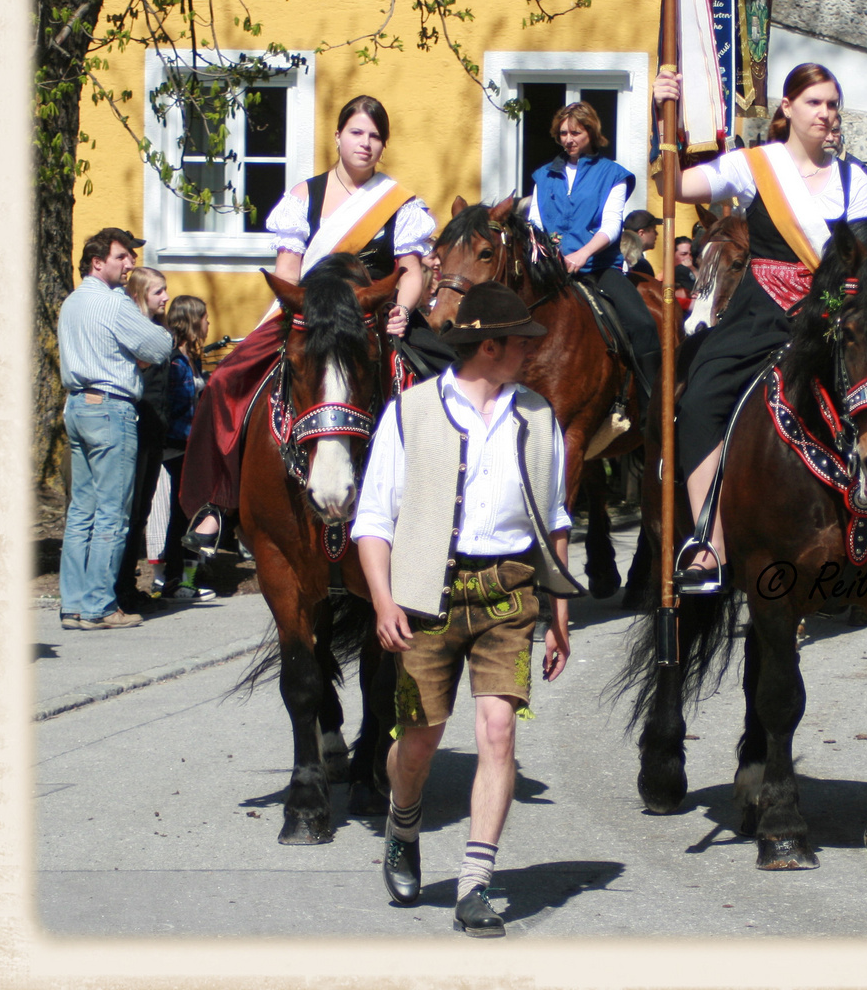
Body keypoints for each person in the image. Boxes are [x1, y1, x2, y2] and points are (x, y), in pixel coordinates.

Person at [353, 280, 582, 938]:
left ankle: (476, 883)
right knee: (418, 741)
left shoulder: (539, 417)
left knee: (498, 732)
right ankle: (403, 823)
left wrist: (559, 611)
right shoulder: (411, 412)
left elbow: (555, 519)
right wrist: (381, 598)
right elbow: (373, 518)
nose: (529, 354)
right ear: (489, 346)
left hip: (509, 590)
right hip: (427, 592)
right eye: (520, 344)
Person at [652, 63, 867, 590]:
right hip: (762, 313)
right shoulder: (757, 166)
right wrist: (660, 118)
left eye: (831, 103)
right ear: (787, 108)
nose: (825, 113)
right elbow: (675, 186)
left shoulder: (862, 183)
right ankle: (710, 540)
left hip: (837, 318)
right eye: (814, 103)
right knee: (700, 398)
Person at [180, 94, 436, 555]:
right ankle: (218, 505)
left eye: (375, 136)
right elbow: (288, 268)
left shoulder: (401, 203)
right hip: (311, 315)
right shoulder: (303, 196)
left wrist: (403, 307)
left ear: (384, 145)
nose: (365, 143)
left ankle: (442, 507)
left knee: (448, 380)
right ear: (337, 137)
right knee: (223, 380)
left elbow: (412, 269)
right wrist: (293, 313)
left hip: (373, 317)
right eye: (357, 133)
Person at [58, 228, 174, 630]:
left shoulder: (72, 302)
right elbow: (159, 346)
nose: (129, 265)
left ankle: (73, 604)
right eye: (122, 257)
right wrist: (134, 351)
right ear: (97, 262)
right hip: (110, 408)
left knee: (81, 513)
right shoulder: (113, 303)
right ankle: (100, 607)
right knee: (112, 512)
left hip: (76, 405)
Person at [528, 102, 661, 405]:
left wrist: (583, 254)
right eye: (562, 133)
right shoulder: (542, 176)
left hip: (600, 267)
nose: (568, 139)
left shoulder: (613, 174)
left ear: (591, 131)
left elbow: (612, 225)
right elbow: (534, 224)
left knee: (643, 324)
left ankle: (651, 407)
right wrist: (550, 258)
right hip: (551, 269)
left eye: (575, 132)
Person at [113, 266, 171, 613]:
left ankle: (129, 585)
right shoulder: (137, 332)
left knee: (142, 512)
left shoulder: (158, 330)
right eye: (157, 292)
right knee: (128, 511)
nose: (165, 297)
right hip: (135, 427)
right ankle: (118, 585)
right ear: (139, 295)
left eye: (165, 291)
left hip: (154, 431)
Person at [157, 295, 215, 601]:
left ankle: (186, 580)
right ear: (192, 320)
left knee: (190, 514)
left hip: (192, 447)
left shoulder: (191, 358)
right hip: (179, 447)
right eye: (204, 316)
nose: (208, 322)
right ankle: (174, 582)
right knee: (183, 514)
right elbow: (176, 409)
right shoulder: (174, 361)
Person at [623, 209, 661, 278]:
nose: (657, 234)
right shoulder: (640, 265)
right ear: (641, 233)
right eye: (654, 230)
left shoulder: (618, 258)